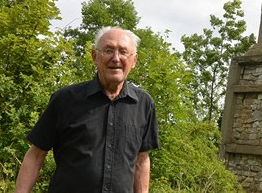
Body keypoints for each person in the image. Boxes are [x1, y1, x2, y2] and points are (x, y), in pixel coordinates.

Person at [15, 27, 159, 193]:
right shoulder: (66, 99)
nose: (116, 58)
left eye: (123, 52)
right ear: (95, 57)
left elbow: (141, 161)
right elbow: (35, 155)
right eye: (108, 50)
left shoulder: (143, 104)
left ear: (134, 61)